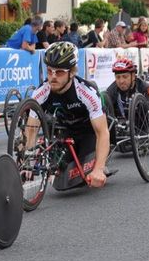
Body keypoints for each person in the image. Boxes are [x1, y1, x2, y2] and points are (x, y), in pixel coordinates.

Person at [27, 41, 110, 188]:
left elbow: (102, 133)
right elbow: (31, 129)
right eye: (49, 71)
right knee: (63, 180)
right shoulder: (40, 93)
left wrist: (99, 169)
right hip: (65, 133)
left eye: (59, 72)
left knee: (84, 175)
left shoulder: (86, 93)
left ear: (72, 72)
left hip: (88, 132)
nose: (53, 77)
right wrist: (27, 162)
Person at [104, 58, 149, 126]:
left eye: (125, 77)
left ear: (133, 76)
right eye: (118, 77)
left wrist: (137, 105)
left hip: (143, 126)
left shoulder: (145, 87)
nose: (121, 81)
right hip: (121, 126)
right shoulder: (112, 89)